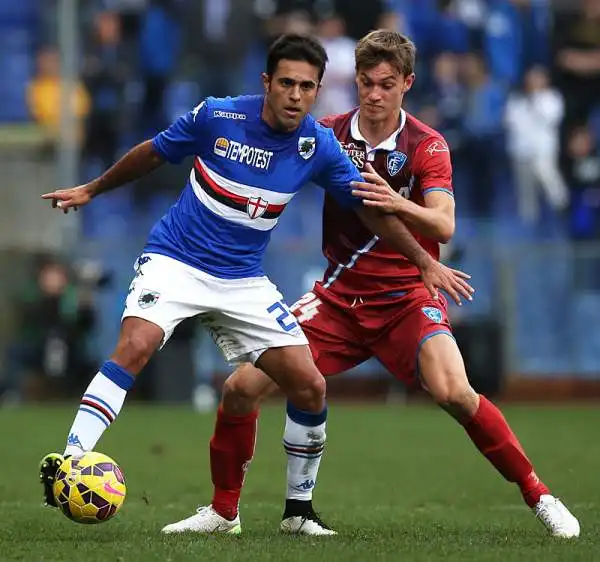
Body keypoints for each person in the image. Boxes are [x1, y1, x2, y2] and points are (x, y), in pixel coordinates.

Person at [161, 30, 580, 539]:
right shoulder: (326, 135)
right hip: (337, 299)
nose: (374, 95)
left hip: (407, 298)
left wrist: (394, 201)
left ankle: (541, 496)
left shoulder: (426, 145)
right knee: (241, 387)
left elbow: (443, 225)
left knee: (454, 391)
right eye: (365, 83)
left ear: (407, 83)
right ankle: (224, 512)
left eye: (386, 84)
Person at [38, 33, 472, 515]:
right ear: (267, 82)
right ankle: (71, 457)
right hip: (177, 260)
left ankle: (299, 513)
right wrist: (93, 190)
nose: (296, 95)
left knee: (309, 385)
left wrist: (424, 261)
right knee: (136, 345)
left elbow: (370, 212)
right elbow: (155, 151)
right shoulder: (217, 116)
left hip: (242, 279)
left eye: (308, 87)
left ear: (318, 90)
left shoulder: (318, 144)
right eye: (287, 83)